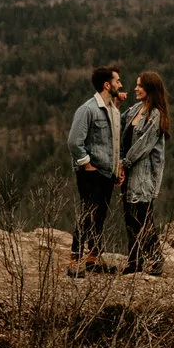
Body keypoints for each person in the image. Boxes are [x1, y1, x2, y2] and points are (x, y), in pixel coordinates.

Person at [66, 64, 124, 273]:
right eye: (117, 81)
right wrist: (86, 164)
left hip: (107, 173)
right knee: (87, 214)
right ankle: (74, 260)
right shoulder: (87, 109)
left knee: (100, 216)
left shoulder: (113, 110)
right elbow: (74, 142)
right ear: (107, 85)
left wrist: (117, 168)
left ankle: (93, 259)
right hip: (91, 173)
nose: (120, 84)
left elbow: (114, 143)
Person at [118, 70, 171, 276]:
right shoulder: (134, 110)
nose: (135, 88)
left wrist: (124, 163)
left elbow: (143, 145)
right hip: (128, 174)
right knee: (130, 218)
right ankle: (135, 261)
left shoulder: (155, 115)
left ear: (150, 89)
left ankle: (156, 260)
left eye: (140, 85)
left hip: (143, 176)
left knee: (143, 219)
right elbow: (118, 123)